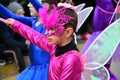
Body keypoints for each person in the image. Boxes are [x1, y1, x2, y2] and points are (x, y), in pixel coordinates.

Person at [2, 5, 84, 80]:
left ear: (68, 32)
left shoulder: (71, 59)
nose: (46, 33)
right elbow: (36, 37)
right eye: (47, 29)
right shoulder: (54, 47)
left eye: (52, 29)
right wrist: (15, 24)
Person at [0, 0, 59, 80]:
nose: (28, 6)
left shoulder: (48, 22)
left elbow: (40, 9)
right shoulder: (33, 21)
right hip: (33, 68)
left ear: (46, 6)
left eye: (31, 4)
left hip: (46, 69)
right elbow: (11, 16)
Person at [80, 0, 117, 80]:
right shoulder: (110, 4)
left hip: (100, 40)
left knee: (96, 67)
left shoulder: (106, 3)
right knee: (101, 67)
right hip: (105, 38)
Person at [0, 1, 28, 73]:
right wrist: (24, 45)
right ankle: (22, 72)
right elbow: (8, 41)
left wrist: (26, 44)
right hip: (4, 47)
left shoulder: (20, 22)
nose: (22, 16)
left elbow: (22, 36)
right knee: (16, 50)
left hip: (15, 44)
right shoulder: (4, 24)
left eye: (23, 14)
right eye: (19, 14)